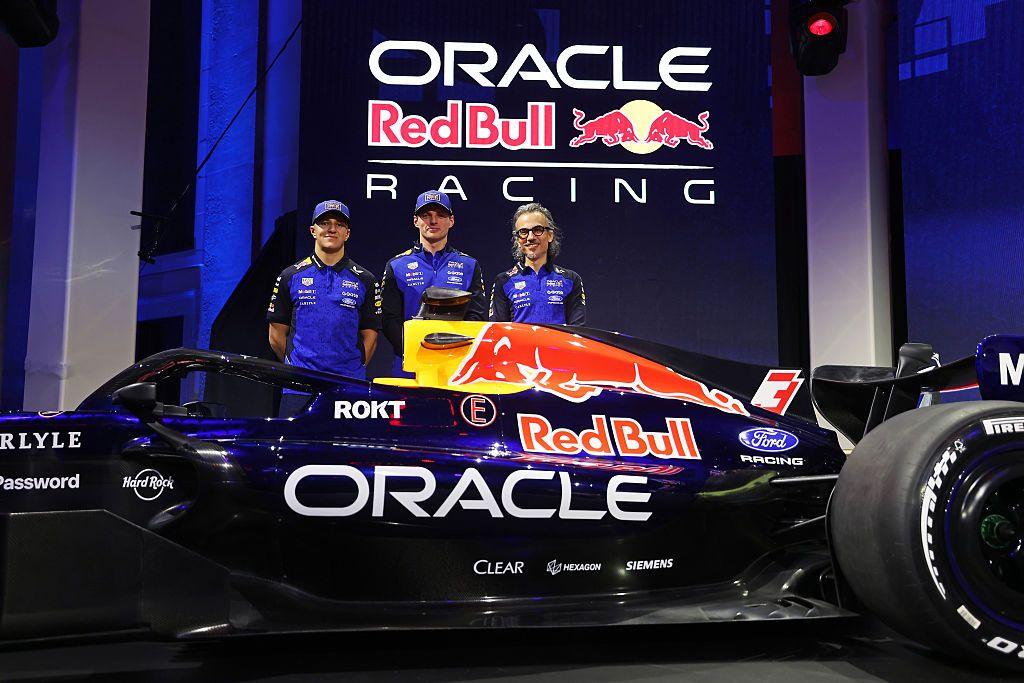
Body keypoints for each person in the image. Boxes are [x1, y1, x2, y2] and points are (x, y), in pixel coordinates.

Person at [267, 200, 380, 416]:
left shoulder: (365, 279)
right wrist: (298, 369)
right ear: (313, 231)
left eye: (339, 224)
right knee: (296, 449)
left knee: (347, 449)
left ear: (347, 233)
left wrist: (350, 369)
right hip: (299, 388)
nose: (331, 229)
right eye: (325, 223)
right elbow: (275, 335)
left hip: (349, 387)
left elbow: (371, 337)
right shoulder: (290, 276)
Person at [380, 190, 486, 374]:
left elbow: (476, 317)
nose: (433, 221)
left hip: (456, 367)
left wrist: (452, 350)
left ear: (451, 221)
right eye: (426, 215)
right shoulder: (397, 265)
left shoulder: (469, 265)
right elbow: (390, 320)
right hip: (409, 367)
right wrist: (414, 349)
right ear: (416, 221)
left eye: (441, 215)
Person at [489, 202, 586, 325]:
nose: (530, 237)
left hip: (557, 345)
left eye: (537, 230)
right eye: (523, 232)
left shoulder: (571, 279)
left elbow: (578, 333)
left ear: (550, 235)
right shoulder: (503, 281)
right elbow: (498, 332)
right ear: (518, 240)